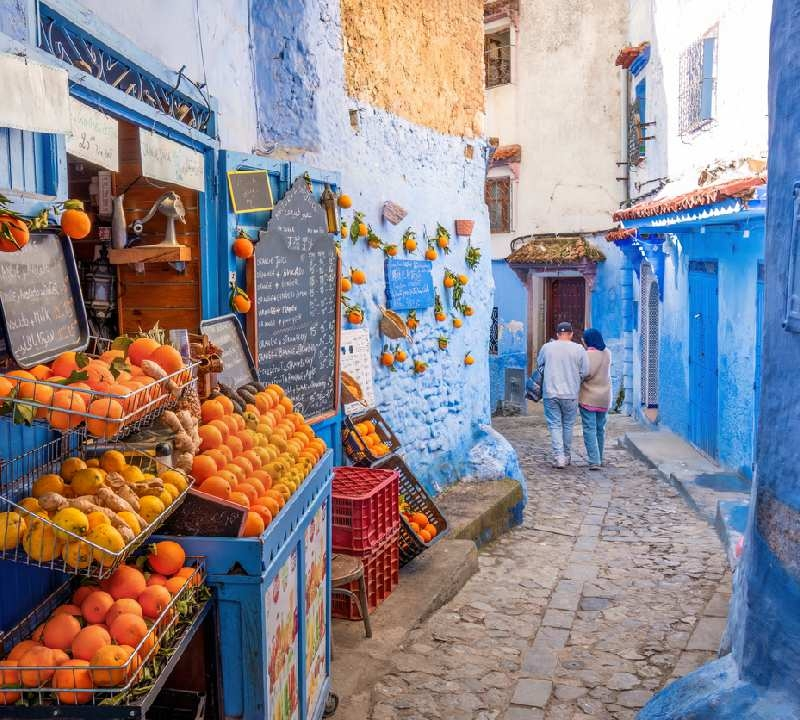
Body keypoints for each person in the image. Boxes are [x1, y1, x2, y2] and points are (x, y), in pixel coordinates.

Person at [537, 321, 589, 468]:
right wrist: (576, 379)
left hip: (550, 392)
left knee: (555, 425)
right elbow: (585, 371)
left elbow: (539, 364)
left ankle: (559, 456)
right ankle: (566, 455)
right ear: (571, 334)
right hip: (571, 393)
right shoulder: (579, 349)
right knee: (568, 425)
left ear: (557, 334)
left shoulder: (547, 348)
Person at [579, 328, 612, 470]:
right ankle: (600, 457)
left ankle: (594, 460)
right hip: (604, 397)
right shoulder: (607, 353)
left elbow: (585, 374)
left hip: (589, 397)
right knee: (600, 428)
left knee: (589, 428)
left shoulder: (587, 355)